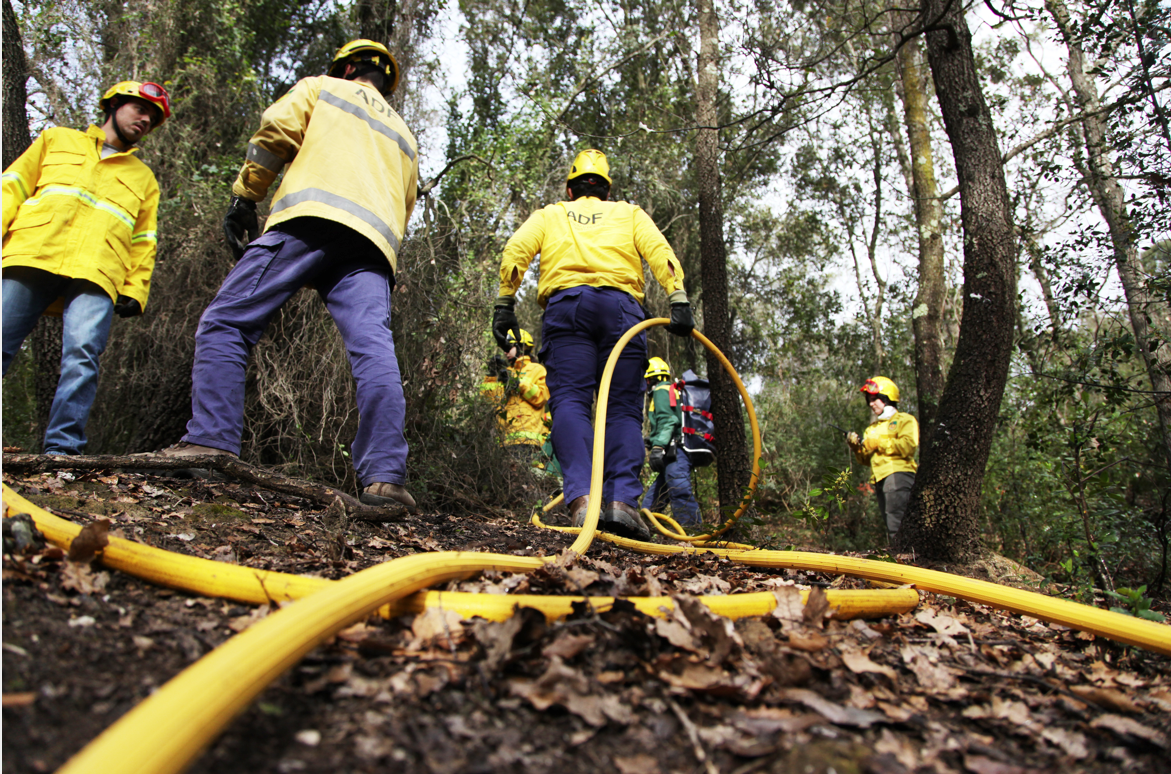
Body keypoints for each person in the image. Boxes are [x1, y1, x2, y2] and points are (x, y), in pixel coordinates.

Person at [158, 40, 420, 512]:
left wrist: (246, 197)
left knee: (227, 322)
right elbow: (405, 205)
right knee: (374, 352)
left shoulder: (321, 88)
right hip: (372, 247)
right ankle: (386, 478)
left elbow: (275, 133)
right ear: (387, 81)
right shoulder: (403, 133)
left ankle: (211, 443)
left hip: (308, 219)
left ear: (345, 67)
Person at [494, 149, 695, 539]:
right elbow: (659, 251)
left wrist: (505, 300)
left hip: (568, 307)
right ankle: (620, 503)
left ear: (570, 189)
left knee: (570, 401)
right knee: (621, 409)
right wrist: (678, 296)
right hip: (621, 310)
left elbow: (516, 249)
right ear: (605, 188)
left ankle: (583, 500)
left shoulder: (551, 214)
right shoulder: (629, 213)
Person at [3, 80, 170, 454]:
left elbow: (144, 240)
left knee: (82, 357)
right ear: (113, 106)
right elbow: (11, 186)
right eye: (140, 109)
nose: (146, 120)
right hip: (33, 251)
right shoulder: (56, 139)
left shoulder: (144, 177)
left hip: (98, 269)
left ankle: (62, 450)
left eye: (154, 118)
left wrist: (135, 289)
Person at [846, 376, 918, 543]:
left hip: (898, 474)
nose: (871, 404)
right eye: (869, 400)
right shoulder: (872, 429)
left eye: (874, 399)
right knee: (890, 521)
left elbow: (908, 446)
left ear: (887, 398)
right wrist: (856, 447)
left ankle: (905, 560)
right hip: (880, 478)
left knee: (897, 520)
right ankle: (898, 555)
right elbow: (865, 460)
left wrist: (879, 443)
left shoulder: (905, 420)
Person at [641, 357, 701, 528]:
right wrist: (652, 441)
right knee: (653, 501)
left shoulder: (661, 390)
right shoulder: (670, 389)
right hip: (672, 451)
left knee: (679, 491)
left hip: (676, 452)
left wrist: (658, 446)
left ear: (651, 378)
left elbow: (668, 420)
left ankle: (693, 534)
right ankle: (647, 529)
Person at [481, 328, 550, 465]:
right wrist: (491, 375)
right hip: (505, 442)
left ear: (521, 346)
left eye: (508, 347)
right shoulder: (506, 372)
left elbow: (541, 397)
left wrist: (518, 383)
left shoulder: (537, 370)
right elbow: (491, 400)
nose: (505, 352)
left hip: (528, 441)